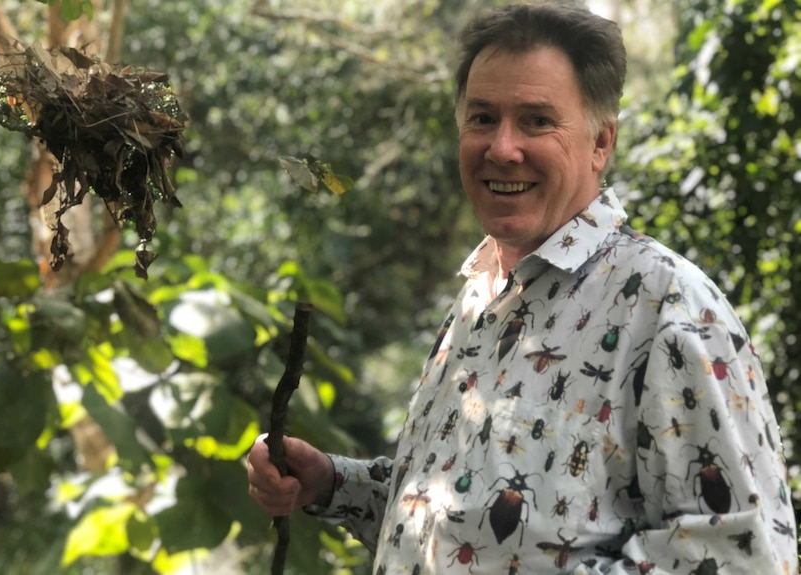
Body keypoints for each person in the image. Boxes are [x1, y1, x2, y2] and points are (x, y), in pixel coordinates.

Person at [247, 3, 798, 573]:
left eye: (536, 120)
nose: (502, 148)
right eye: (482, 118)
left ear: (600, 142)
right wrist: (336, 484)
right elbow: (469, 524)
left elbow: (746, 556)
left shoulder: (667, 308)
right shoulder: (482, 292)